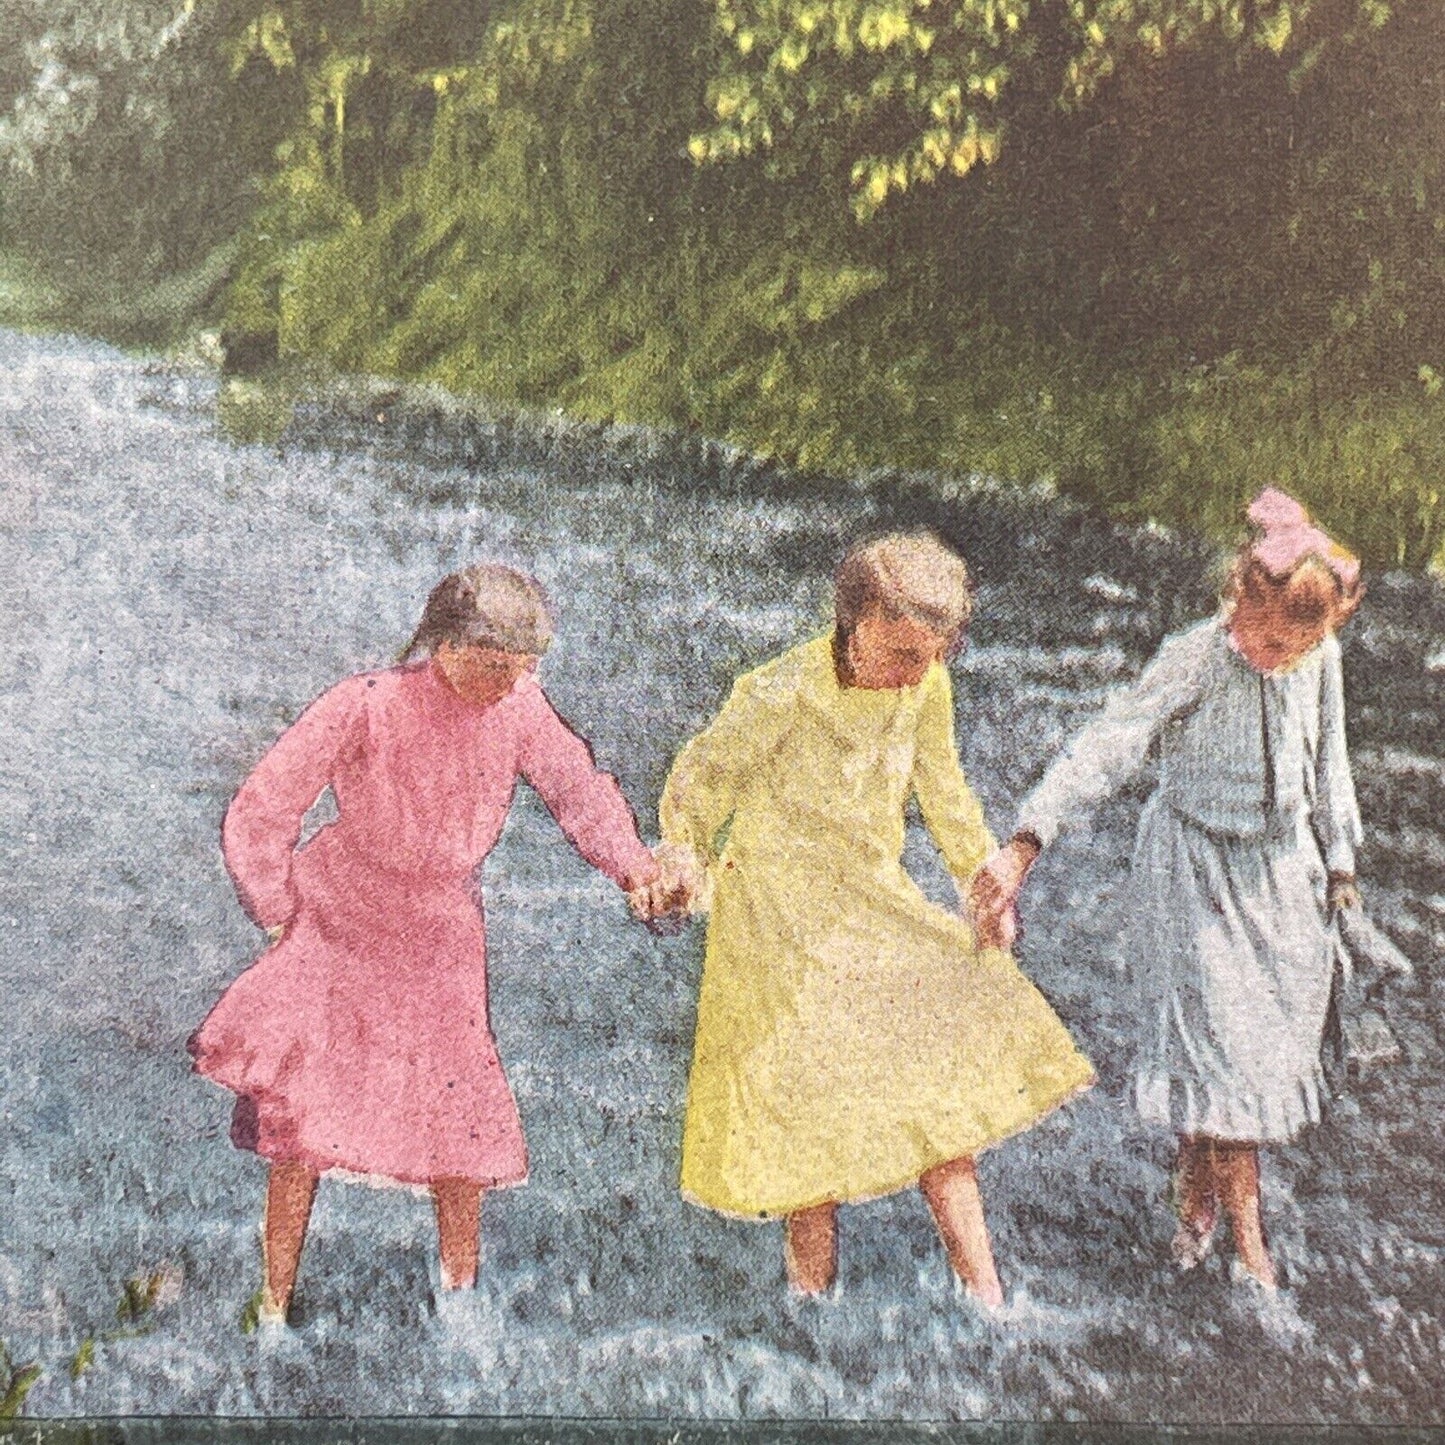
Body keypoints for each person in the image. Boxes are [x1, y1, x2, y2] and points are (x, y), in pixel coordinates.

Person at [190, 563, 663, 1325]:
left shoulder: (520, 708)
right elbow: (262, 807)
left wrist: (633, 866)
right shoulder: (367, 703)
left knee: (460, 1120)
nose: (504, 681)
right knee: (301, 1119)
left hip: (441, 930)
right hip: (339, 915)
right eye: (490, 663)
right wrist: (277, 909)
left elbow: (578, 792)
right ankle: (272, 1302)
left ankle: (459, 1300)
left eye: (519, 668)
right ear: (441, 643)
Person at [650, 533, 1094, 1305]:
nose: (910, 672)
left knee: (935, 1094)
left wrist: (981, 880)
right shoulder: (777, 692)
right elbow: (699, 781)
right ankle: (811, 1300)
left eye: (928, 655)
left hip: (867, 902)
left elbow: (945, 792)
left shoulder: (926, 686)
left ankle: (986, 1297)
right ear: (849, 623)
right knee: (803, 1117)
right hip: (774, 922)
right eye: (896, 653)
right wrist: (682, 855)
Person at [971, 488, 1365, 1289]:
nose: (1276, 656)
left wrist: (1341, 864)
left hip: (1277, 875)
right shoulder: (1195, 656)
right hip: (1192, 874)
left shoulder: (1315, 657)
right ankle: (1253, 1251)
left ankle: (1195, 1179)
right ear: (1237, 599)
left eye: (1295, 645)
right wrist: (1028, 837)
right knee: (1218, 1051)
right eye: (1265, 638)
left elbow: (1331, 764)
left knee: (1248, 1057)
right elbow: (1111, 743)